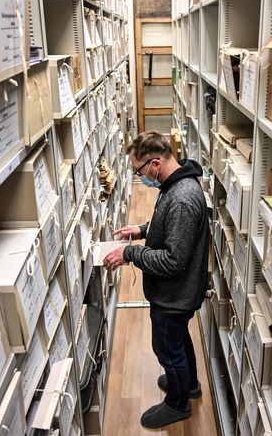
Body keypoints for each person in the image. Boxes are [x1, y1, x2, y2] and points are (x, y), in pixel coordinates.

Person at [102, 132, 209, 429]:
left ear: (156, 163)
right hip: (177, 293)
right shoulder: (174, 184)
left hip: (174, 294)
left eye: (139, 171)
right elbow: (168, 226)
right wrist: (142, 230)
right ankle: (189, 384)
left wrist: (130, 254)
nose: (139, 177)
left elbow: (173, 261)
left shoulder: (183, 199)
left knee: (167, 348)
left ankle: (178, 404)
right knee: (178, 338)